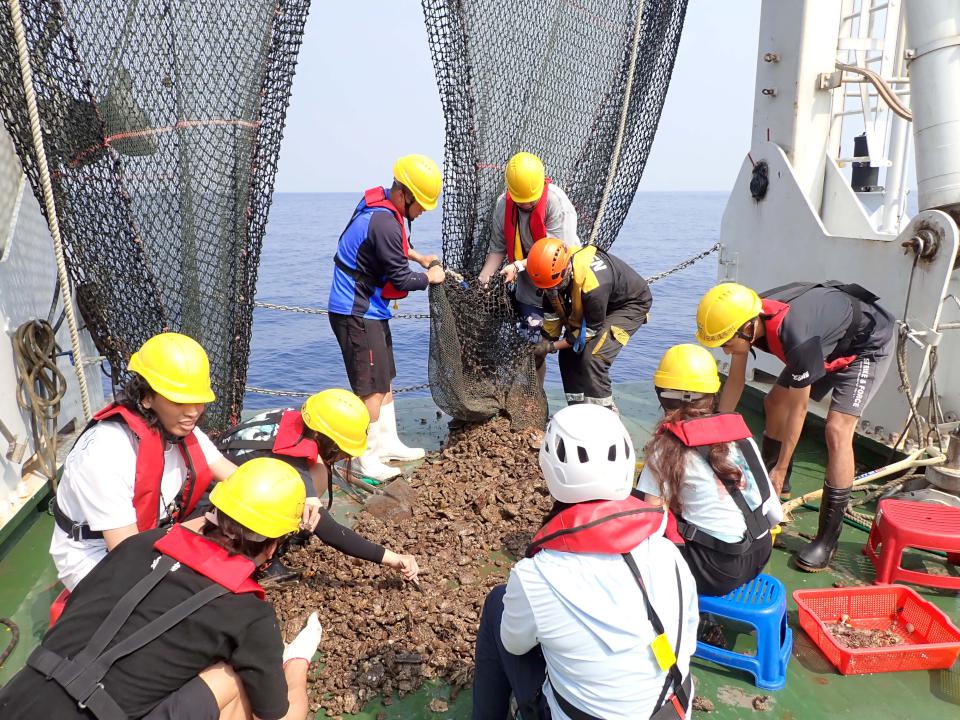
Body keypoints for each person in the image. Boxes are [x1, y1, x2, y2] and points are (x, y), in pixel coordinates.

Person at [0, 458, 322, 720]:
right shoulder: (249, 613)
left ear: (214, 512)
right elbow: (280, 716)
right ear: (272, 547)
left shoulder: (139, 544)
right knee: (233, 678)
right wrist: (297, 660)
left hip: (15, 700)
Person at [473, 404, 697, 720]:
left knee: (498, 602)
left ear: (550, 471)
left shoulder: (535, 575)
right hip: (672, 710)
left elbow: (515, 644)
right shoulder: (667, 551)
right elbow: (686, 638)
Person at [695, 280, 895, 572]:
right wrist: (716, 439)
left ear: (748, 328)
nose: (725, 351)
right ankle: (778, 486)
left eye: (726, 344)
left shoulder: (795, 336)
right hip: (823, 343)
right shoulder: (743, 313)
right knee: (774, 402)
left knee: (837, 430)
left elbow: (799, 410)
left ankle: (827, 540)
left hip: (865, 346)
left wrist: (779, 467)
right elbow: (735, 382)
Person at [50, 332, 236, 592]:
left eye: (198, 400)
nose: (193, 411)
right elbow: (128, 553)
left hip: (154, 530)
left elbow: (236, 478)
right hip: (95, 555)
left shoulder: (179, 428)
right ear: (147, 397)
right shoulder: (106, 451)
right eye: (179, 400)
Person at [216, 388, 419, 584]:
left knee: (316, 474)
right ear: (329, 441)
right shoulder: (290, 466)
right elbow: (330, 531)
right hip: (217, 510)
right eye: (341, 451)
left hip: (223, 477)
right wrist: (393, 558)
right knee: (303, 489)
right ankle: (260, 560)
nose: (343, 457)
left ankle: (276, 536)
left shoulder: (295, 421)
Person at [328, 154, 446, 481]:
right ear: (403, 194)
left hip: (371, 310)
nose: (422, 211)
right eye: (420, 203)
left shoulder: (384, 208)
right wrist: (430, 278)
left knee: (385, 380)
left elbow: (394, 244)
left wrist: (419, 256)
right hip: (355, 312)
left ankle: (387, 443)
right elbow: (401, 280)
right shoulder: (383, 221)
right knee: (371, 392)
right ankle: (359, 459)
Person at [638, 344, 782, 596]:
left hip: (718, 571)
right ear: (712, 394)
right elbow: (775, 514)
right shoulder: (741, 436)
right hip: (760, 553)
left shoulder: (666, 448)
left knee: (643, 514)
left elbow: (648, 524)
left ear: (662, 395)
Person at [477, 152, 580, 384]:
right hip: (528, 290)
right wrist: (484, 279)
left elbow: (558, 252)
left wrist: (517, 265)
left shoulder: (557, 203)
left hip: (562, 286)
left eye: (530, 200)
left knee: (576, 349)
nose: (525, 204)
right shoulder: (504, 204)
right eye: (520, 200)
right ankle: (530, 400)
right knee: (531, 349)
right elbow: (497, 249)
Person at [526, 237, 652, 412]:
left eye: (555, 287)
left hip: (627, 305)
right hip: (595, 307)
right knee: (567, 356)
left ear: (567, 267)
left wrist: (551, 347)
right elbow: (552, 320)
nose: (551, 292)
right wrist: (543, 343)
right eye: (548, 289)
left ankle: (606, 416)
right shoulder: (550, 280)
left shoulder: (593, 285)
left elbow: (591, 329)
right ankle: (578, 411)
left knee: (593, 357)